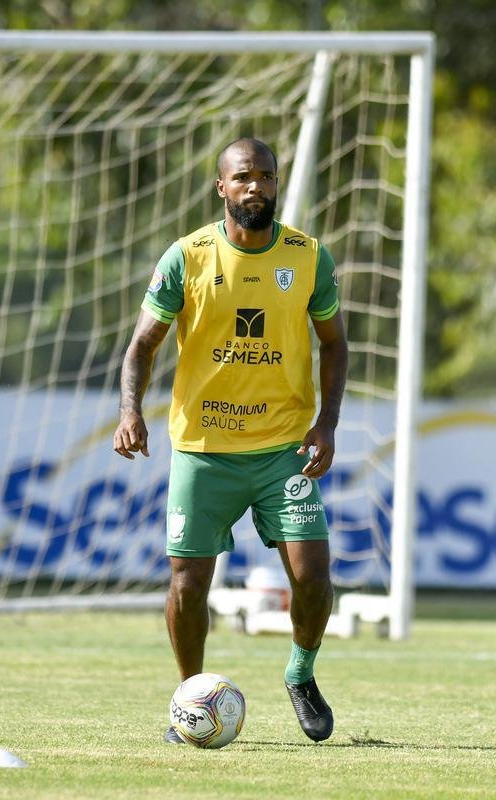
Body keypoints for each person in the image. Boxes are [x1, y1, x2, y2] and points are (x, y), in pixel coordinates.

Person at [113, 137, 347, 742]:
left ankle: (300, 673)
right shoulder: (186, 258)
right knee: (188, 585)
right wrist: (130, 411)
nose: (255, 187)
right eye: (243, 176)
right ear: (222, 186)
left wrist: (326, 423)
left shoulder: (309, 257)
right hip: (204, 451)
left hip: (283, 451)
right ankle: (190, 698)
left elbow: (334, 343)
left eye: (265, 176)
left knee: (314, 578)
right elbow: (142, 346)